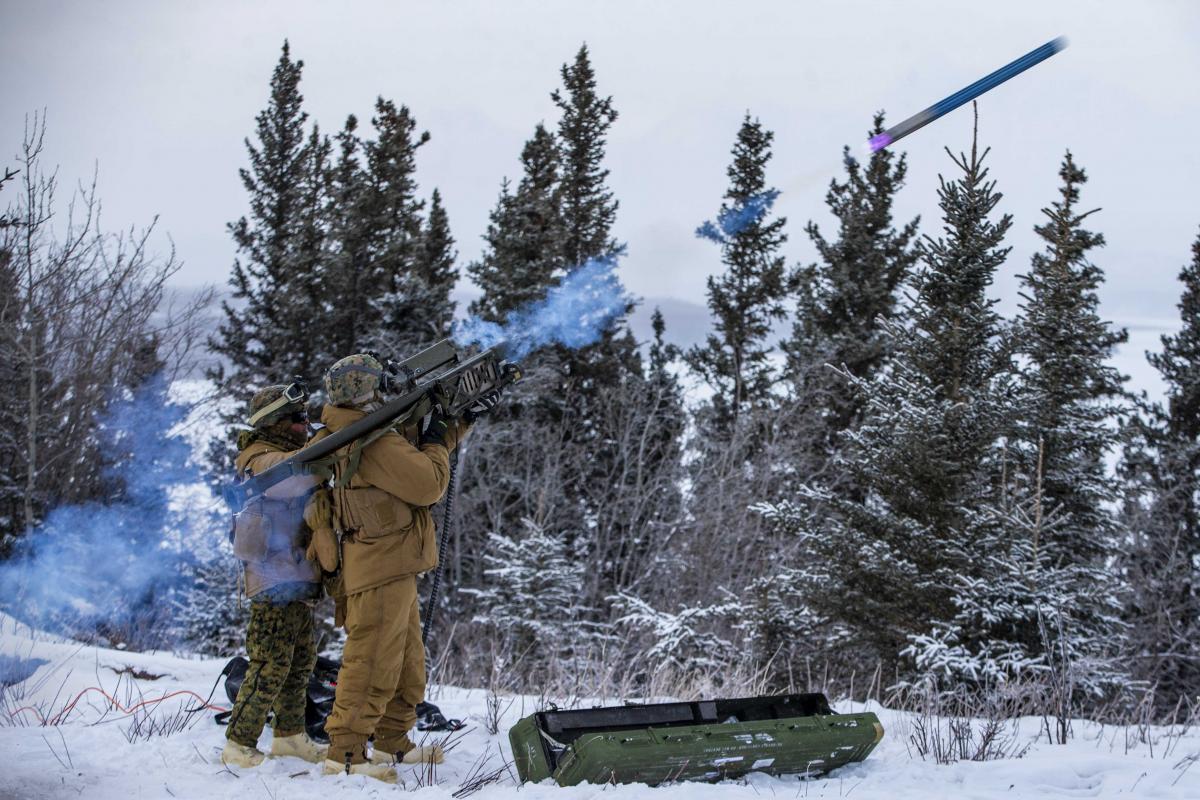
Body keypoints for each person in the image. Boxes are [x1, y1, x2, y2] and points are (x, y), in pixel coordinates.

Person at [315, 353, 476, 783]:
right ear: (369, 391)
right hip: (380, 562)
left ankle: (390, 742)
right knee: (371, 660)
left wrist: (459, 421)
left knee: (405, 661)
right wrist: (439, 438)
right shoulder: (368, 438)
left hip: (391, 560)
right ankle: (346, 751)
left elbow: (414, 452)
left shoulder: (363, 429)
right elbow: (426, 483)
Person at [221, 383, 327, 768]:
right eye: (297, 419)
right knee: (270, 664)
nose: (305, 424)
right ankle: (239, 742)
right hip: (272, 578)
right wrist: (329, 445)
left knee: (300, 662)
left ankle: (290, 736)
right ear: (275, 423)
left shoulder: (284, 451)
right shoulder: (258, 456)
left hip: (295, 575)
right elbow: (290, 480)